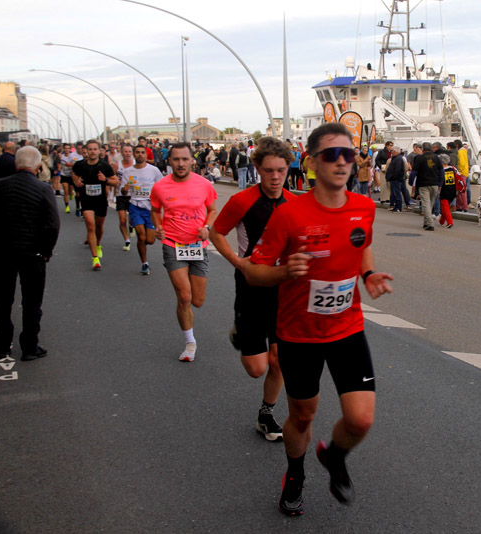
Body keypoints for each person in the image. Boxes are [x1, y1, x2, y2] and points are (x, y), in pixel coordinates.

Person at [244, 122, 393, 516]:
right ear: (311, 162)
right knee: (303, 415)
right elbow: (253, 271)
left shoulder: (364, 207)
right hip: (299, 335)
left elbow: (361, 244)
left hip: (347, 328)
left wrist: (367, 274)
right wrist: (283, 272)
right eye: (331, 154)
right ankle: (295, 473)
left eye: (348, 154)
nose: (342, 162)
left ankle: (334, 456)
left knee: (360, 420)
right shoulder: (289, 215)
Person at [211, 137, 296, 442]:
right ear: (257, 168)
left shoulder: (294, 203)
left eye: (281, 171)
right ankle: (241, 331)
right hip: (250, 285)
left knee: (279, 360)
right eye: (269, 170)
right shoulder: (241, 201)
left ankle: (266, 414)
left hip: (284, 290)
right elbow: (216, 232)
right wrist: (238, 262)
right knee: (257, 369)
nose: (275, 177)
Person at [0, 146, 60, 361]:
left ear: (16, 164)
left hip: (2, 253)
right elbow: (52, 225)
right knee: (32, 302)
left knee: (2, 301)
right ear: (38, 166)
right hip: (32, 253)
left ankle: (2, 345)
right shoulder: (43, 189)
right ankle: (30, 346)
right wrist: (46, 251)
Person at [150, 143, 217, 362]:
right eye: (176, 159)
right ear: (169, 161)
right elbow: (155, 210)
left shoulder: (204, 184)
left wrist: (207, 227)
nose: (180, 164)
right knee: (184, 297)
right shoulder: (160, 187)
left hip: (197, 246)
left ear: (192, 161)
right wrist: (158, 226)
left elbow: (212, 210)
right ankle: (190, 342)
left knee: (197, 300)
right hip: (173, 245)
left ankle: (189, 329)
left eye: (184, 159)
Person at [72, 140, 119, 270]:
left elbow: (116, 182)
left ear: (99, 151)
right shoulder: (80, 165)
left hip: (100, 201)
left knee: (99, 226)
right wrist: (76, 181)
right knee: (90, 225)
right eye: (90, 149)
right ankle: (95, 258)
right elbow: (73, 173)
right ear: (86, 151)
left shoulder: (104, 166)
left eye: (95, 149)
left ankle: (98, 244)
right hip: (86, 200)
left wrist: (105, 180)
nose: (92, 152)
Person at [122, 145, 164, 275]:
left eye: (142, 152)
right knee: (141, 237)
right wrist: (125, 189)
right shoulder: (128, 171)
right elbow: (123, 192)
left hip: (150, 209)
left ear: (146, 155)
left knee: (150, 240)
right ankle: (144, 263)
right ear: (134, 154)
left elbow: (162, 187)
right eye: (137, 152)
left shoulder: (154, 170)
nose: (140, 154)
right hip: (135, 206)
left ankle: (138, 236)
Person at [413, 142, 441, 231]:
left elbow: (414, 171)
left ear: (423, 149)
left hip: (423, 183)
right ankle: (425, 222)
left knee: (426, 204)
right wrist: (440, 183)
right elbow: (441, 171)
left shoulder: (420, 158)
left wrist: (411, 181)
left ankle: (430, 223)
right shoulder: (436, 157)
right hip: (434, 183)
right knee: (430, 204)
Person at [439, 153, 461, 228]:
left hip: (444, 190)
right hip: (453, 189)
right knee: (446, 206)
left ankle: (450, 222)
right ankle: (441, 221)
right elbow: (459, 176)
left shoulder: (440, 170)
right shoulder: (453, 168)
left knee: (445, 207)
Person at [59, 143, 82, 215]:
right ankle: (67, 206)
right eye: (65, 148)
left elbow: (71, 164)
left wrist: (73, 165)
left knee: (70, 191)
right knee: (65, 191)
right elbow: (66, 164)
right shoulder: (62, 156)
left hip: (71, 175)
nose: (66, 150)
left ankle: (71, 193)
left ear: (70, 149)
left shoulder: (72, 155)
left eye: (68, 148)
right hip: (64, 174)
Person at [385, 146, 407, 212]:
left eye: (392, 151)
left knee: (397, 193)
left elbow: (397, 169)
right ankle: (396, 206)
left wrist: (393, 176)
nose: (391, 152)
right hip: (394, 179)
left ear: (395, 152)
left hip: (396, 179)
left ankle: (398, 207)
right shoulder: (395, 158)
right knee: (394, 193)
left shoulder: (398, 159)